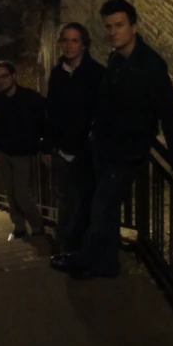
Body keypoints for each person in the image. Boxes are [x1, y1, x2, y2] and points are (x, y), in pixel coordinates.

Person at [51, 0, 173, 280]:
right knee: (102, 210)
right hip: (105, 149)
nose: (113, 32)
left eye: (119, 25)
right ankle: (105, 264)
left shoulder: (150, 65)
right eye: (108, 26)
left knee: (101, 209)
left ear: (134, 27)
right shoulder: (116, 59)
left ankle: (85, 260)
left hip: (128, 153)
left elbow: (169, 114)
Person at [43, 23, 105, 252]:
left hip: (87, 152)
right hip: (62, 151)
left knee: (87, 202)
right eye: (65, 40)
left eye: (74, 41)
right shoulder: (57, 74)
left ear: (84, 44)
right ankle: (64, 247)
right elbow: (51, 111)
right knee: (65, 202)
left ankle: (84, 248)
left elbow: (102, 113)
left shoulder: (97, 74)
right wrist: (48, 147)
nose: (68, 45)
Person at [0, 61, 46, 238]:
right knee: (9, 192)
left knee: (21, 192)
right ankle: (19, 225)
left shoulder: (30, 97)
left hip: (23, 153)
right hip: (3, 152)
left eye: (4, 76)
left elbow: (45, 119)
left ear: (13, 76)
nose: (0, 81)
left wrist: (42, 144)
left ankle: (37, 225)